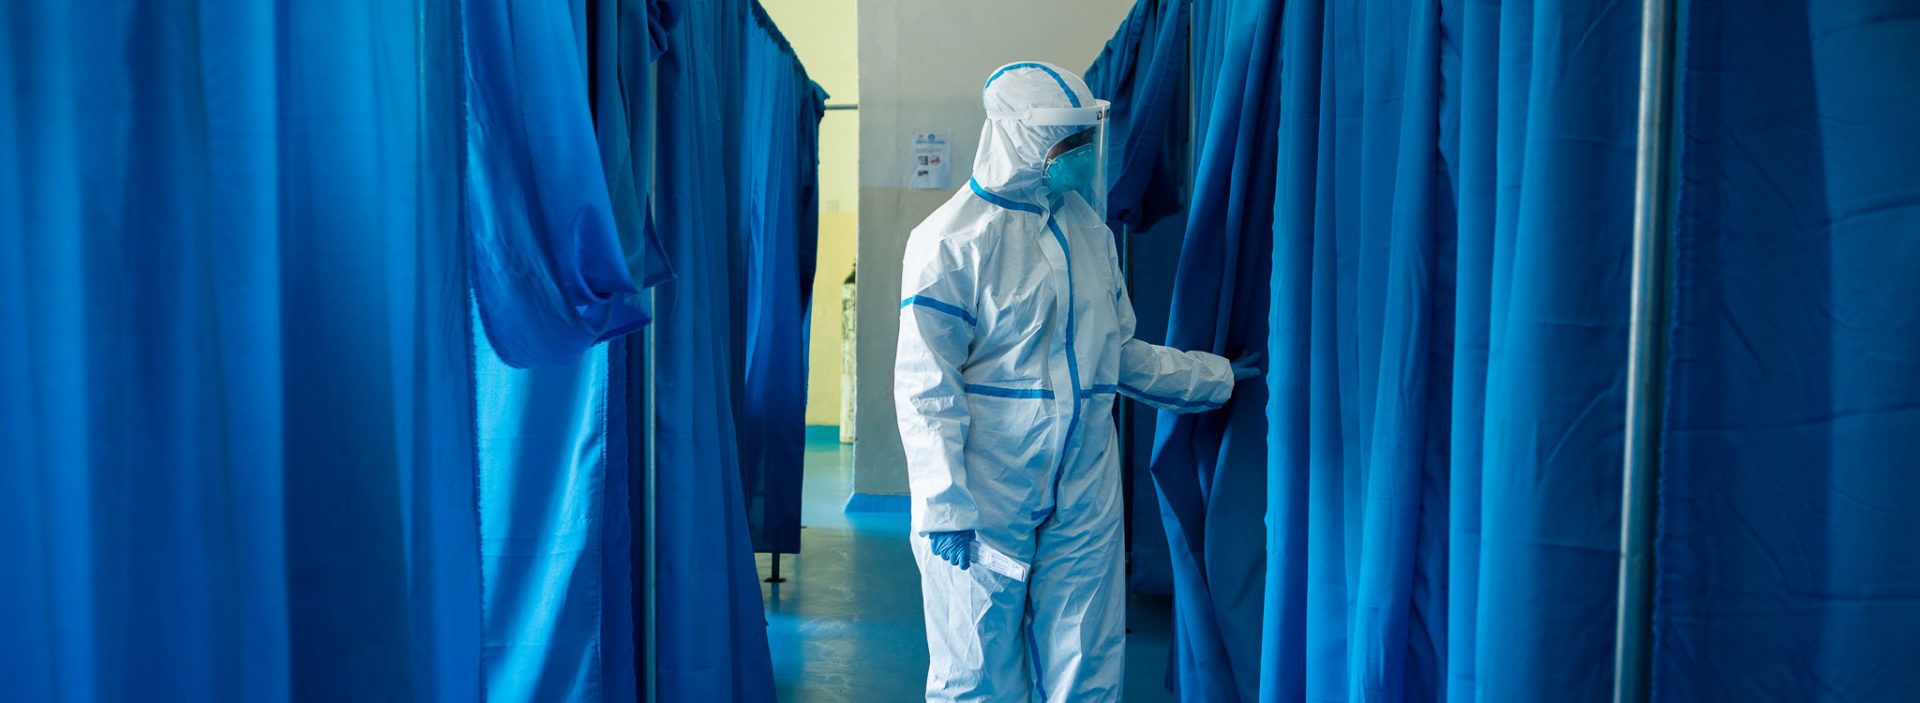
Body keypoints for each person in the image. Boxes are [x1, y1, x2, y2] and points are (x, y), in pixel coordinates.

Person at [894, 61, 1261, 702]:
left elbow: (1118, 356)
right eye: (1067, 141)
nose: (1082, 155)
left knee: (1087, 664)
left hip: (1085, 483)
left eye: (1085, 137)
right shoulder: (948, 246)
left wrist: (1217, 378)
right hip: (986, 492)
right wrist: (942, 504)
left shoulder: (1088, 233)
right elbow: (926, 390)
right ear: (1020, 139)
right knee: (976, 673)